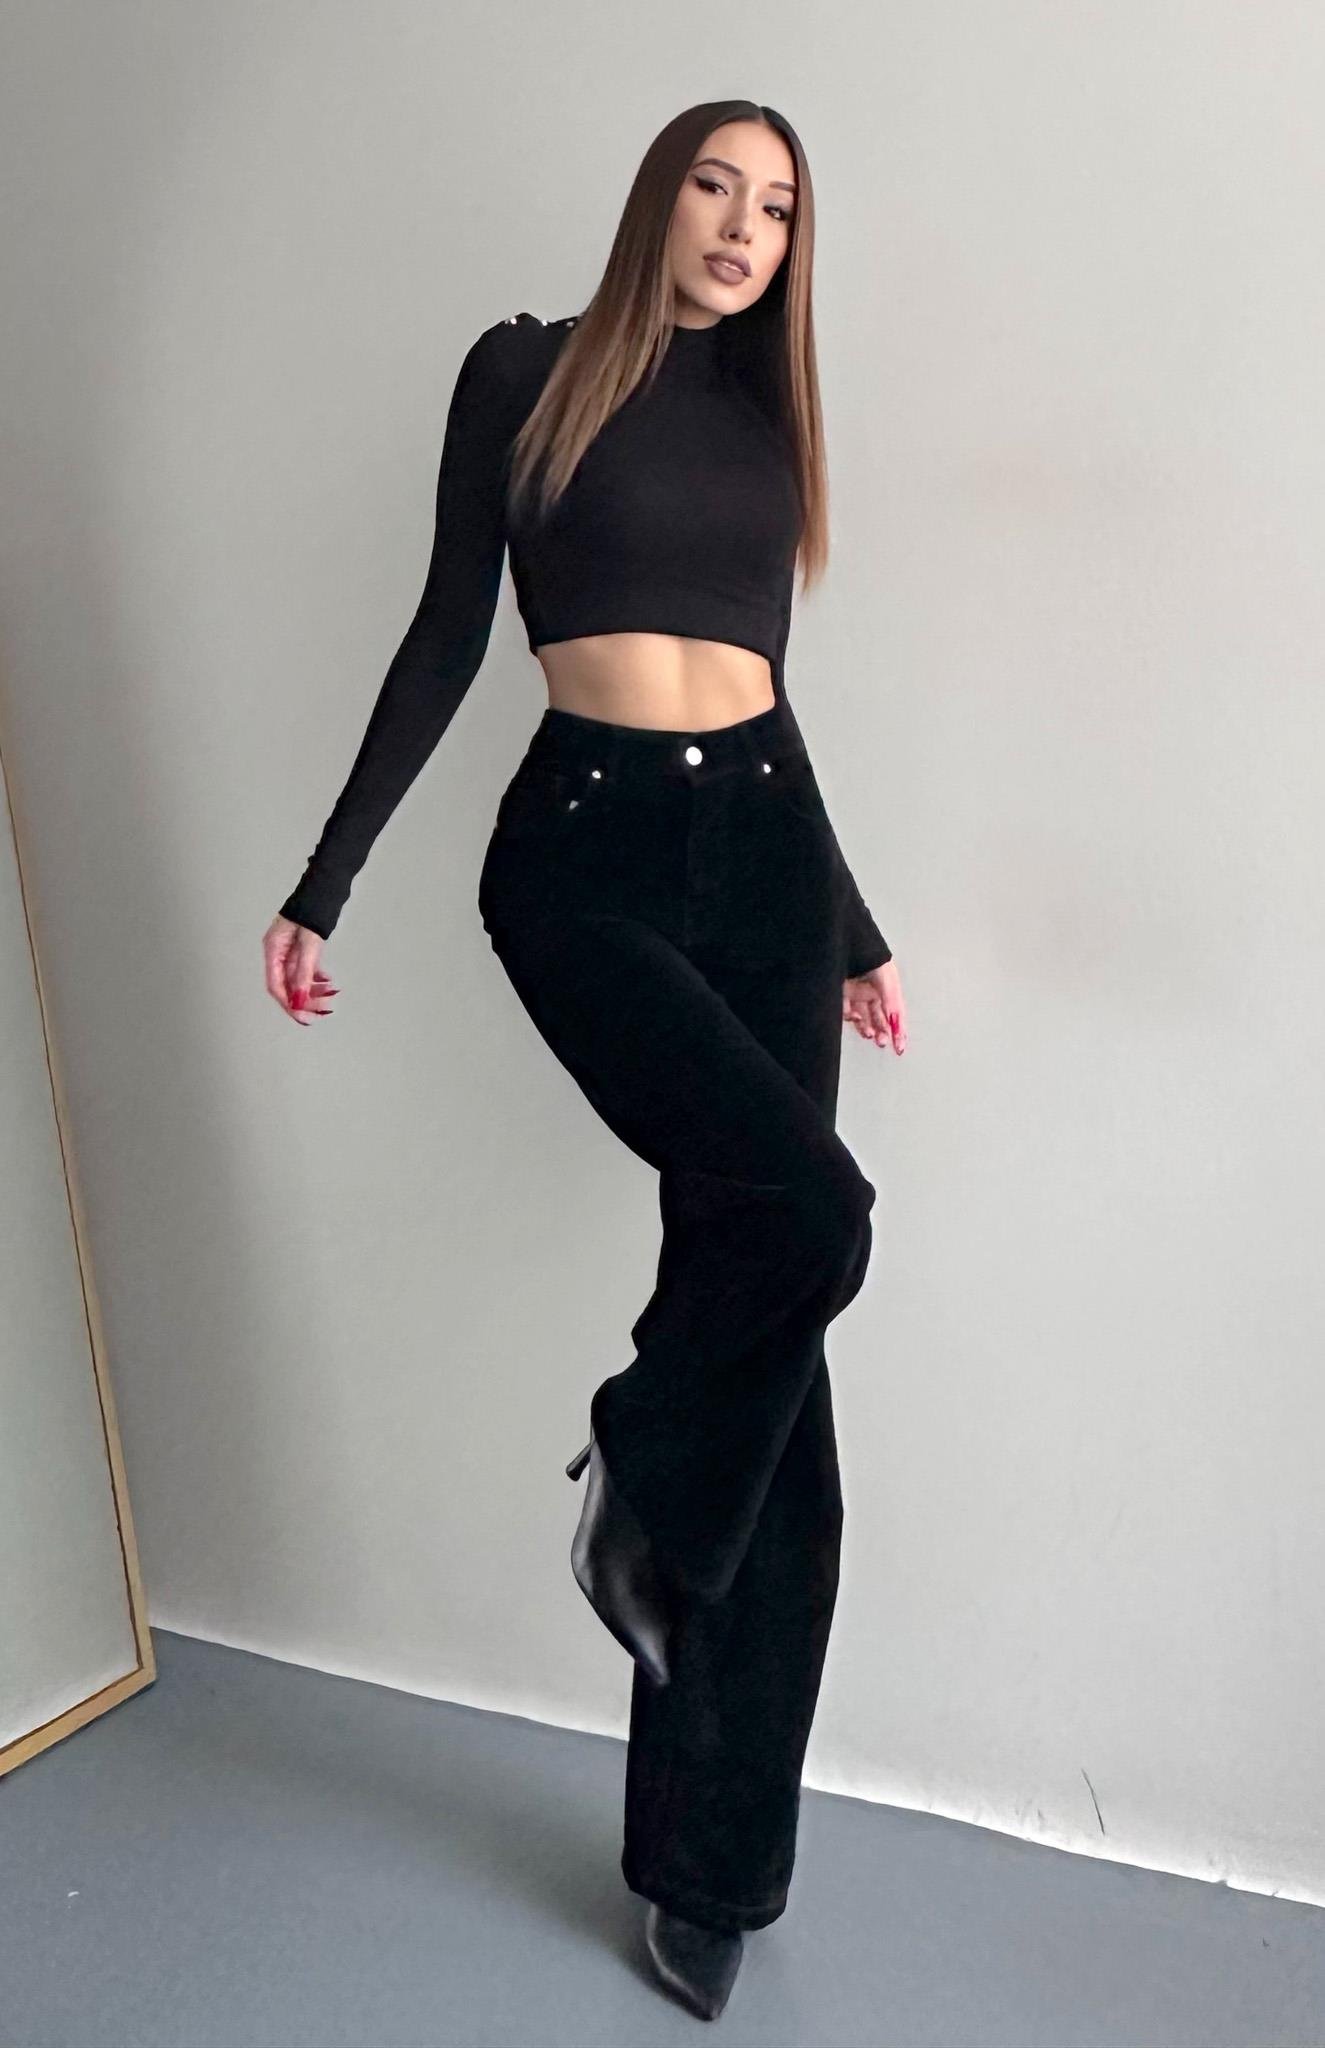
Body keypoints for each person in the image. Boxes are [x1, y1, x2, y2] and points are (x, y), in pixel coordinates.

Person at [263, 97, 908, 2023]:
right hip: (586, 852)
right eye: (715, 184)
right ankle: (634, 1457)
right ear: (658, 196)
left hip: (767, 858)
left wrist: (851, 927)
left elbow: (767, 694)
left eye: (776, 208)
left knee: (782, 1405)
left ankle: (709, 1873)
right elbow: (443, 632)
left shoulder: (769, 417)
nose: (741, 227)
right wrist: (325, 881)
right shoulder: (523, 372)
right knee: (812, 1217)